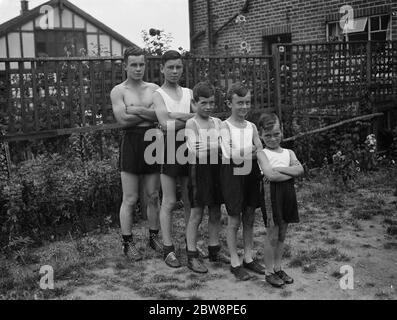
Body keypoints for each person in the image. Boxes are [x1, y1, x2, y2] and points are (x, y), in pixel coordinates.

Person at [110, 47, 162, 262]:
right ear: (125, 66)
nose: (138, 68)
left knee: (153, 195)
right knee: (130, 198)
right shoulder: (119, 91)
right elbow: (122, 120)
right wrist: (147, 112)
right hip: (131, 142)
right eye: (134, 64)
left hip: (152, 140)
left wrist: (136, 110)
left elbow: (160, 115)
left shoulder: (154, 88)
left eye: (141, 64)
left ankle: (153, 237)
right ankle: (127, 243)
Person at [219, 82, 267, 281]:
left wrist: (248, 152)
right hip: (232, 175)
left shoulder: (252, 126)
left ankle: (248, 257)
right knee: (234, 219)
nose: (244, 107)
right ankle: (234, 261)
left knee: (249, 216)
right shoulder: (224, 126)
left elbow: (261, 149)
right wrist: (251, 151)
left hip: (252, 174)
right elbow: (229, 155)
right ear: (229, 103)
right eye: (240, 103)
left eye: (247, 102)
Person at [153, 50, 196, 268]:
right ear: (162, 68)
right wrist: (188, 118)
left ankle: (191, 243)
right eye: (170, 67)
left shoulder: (189, 92)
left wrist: (177, 116)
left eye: (178, 67)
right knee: (169, 201)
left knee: (190, 199)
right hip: (169, 147)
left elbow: (202, 118)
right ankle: (168, 249)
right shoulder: (159, 94)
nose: (175, 71)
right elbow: (164, 125)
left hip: (190, 147)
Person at [185, 82, 229, 274]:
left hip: (217, 170)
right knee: (196, 214)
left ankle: (214, 250)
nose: (209, 107)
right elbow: (197, 152)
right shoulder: (191, 123)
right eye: (204, 103)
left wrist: (214, 147)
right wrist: (217, 146)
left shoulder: (218, 123)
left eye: (211, 102)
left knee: (216, 211)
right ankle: (192, 255)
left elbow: (227, 147)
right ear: (194, 103)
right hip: (199, 171)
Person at [257, 112, 304, 286]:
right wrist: (289, 171)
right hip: (271, 195)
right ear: (261, 135)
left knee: (283, 232)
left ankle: (278, 268)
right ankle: (268, 272)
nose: (273, 138)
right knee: (272, 234)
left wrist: (280, 169)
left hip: (288, 195)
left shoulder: (289, 152)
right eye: (267, 135)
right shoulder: (262, 153)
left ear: (282, 131)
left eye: (276, 134)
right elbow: (271, 176)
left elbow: (300, 170)